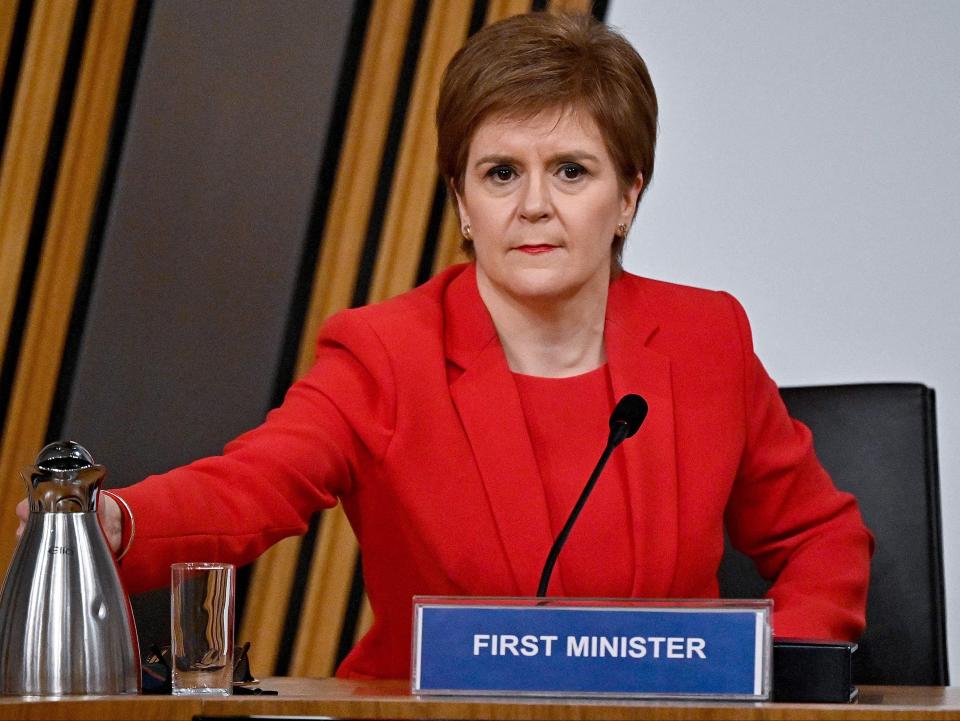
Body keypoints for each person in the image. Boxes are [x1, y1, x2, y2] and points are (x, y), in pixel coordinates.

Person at [17, 12, 872, 680]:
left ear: (628, 198)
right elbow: (249, 489)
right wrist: (116, 524)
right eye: (501, 173)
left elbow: (821, 538)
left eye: (572, 170)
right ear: (462, 202)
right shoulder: (385, 353)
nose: (534, 205)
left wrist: (763, 680)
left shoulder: (703, 338)